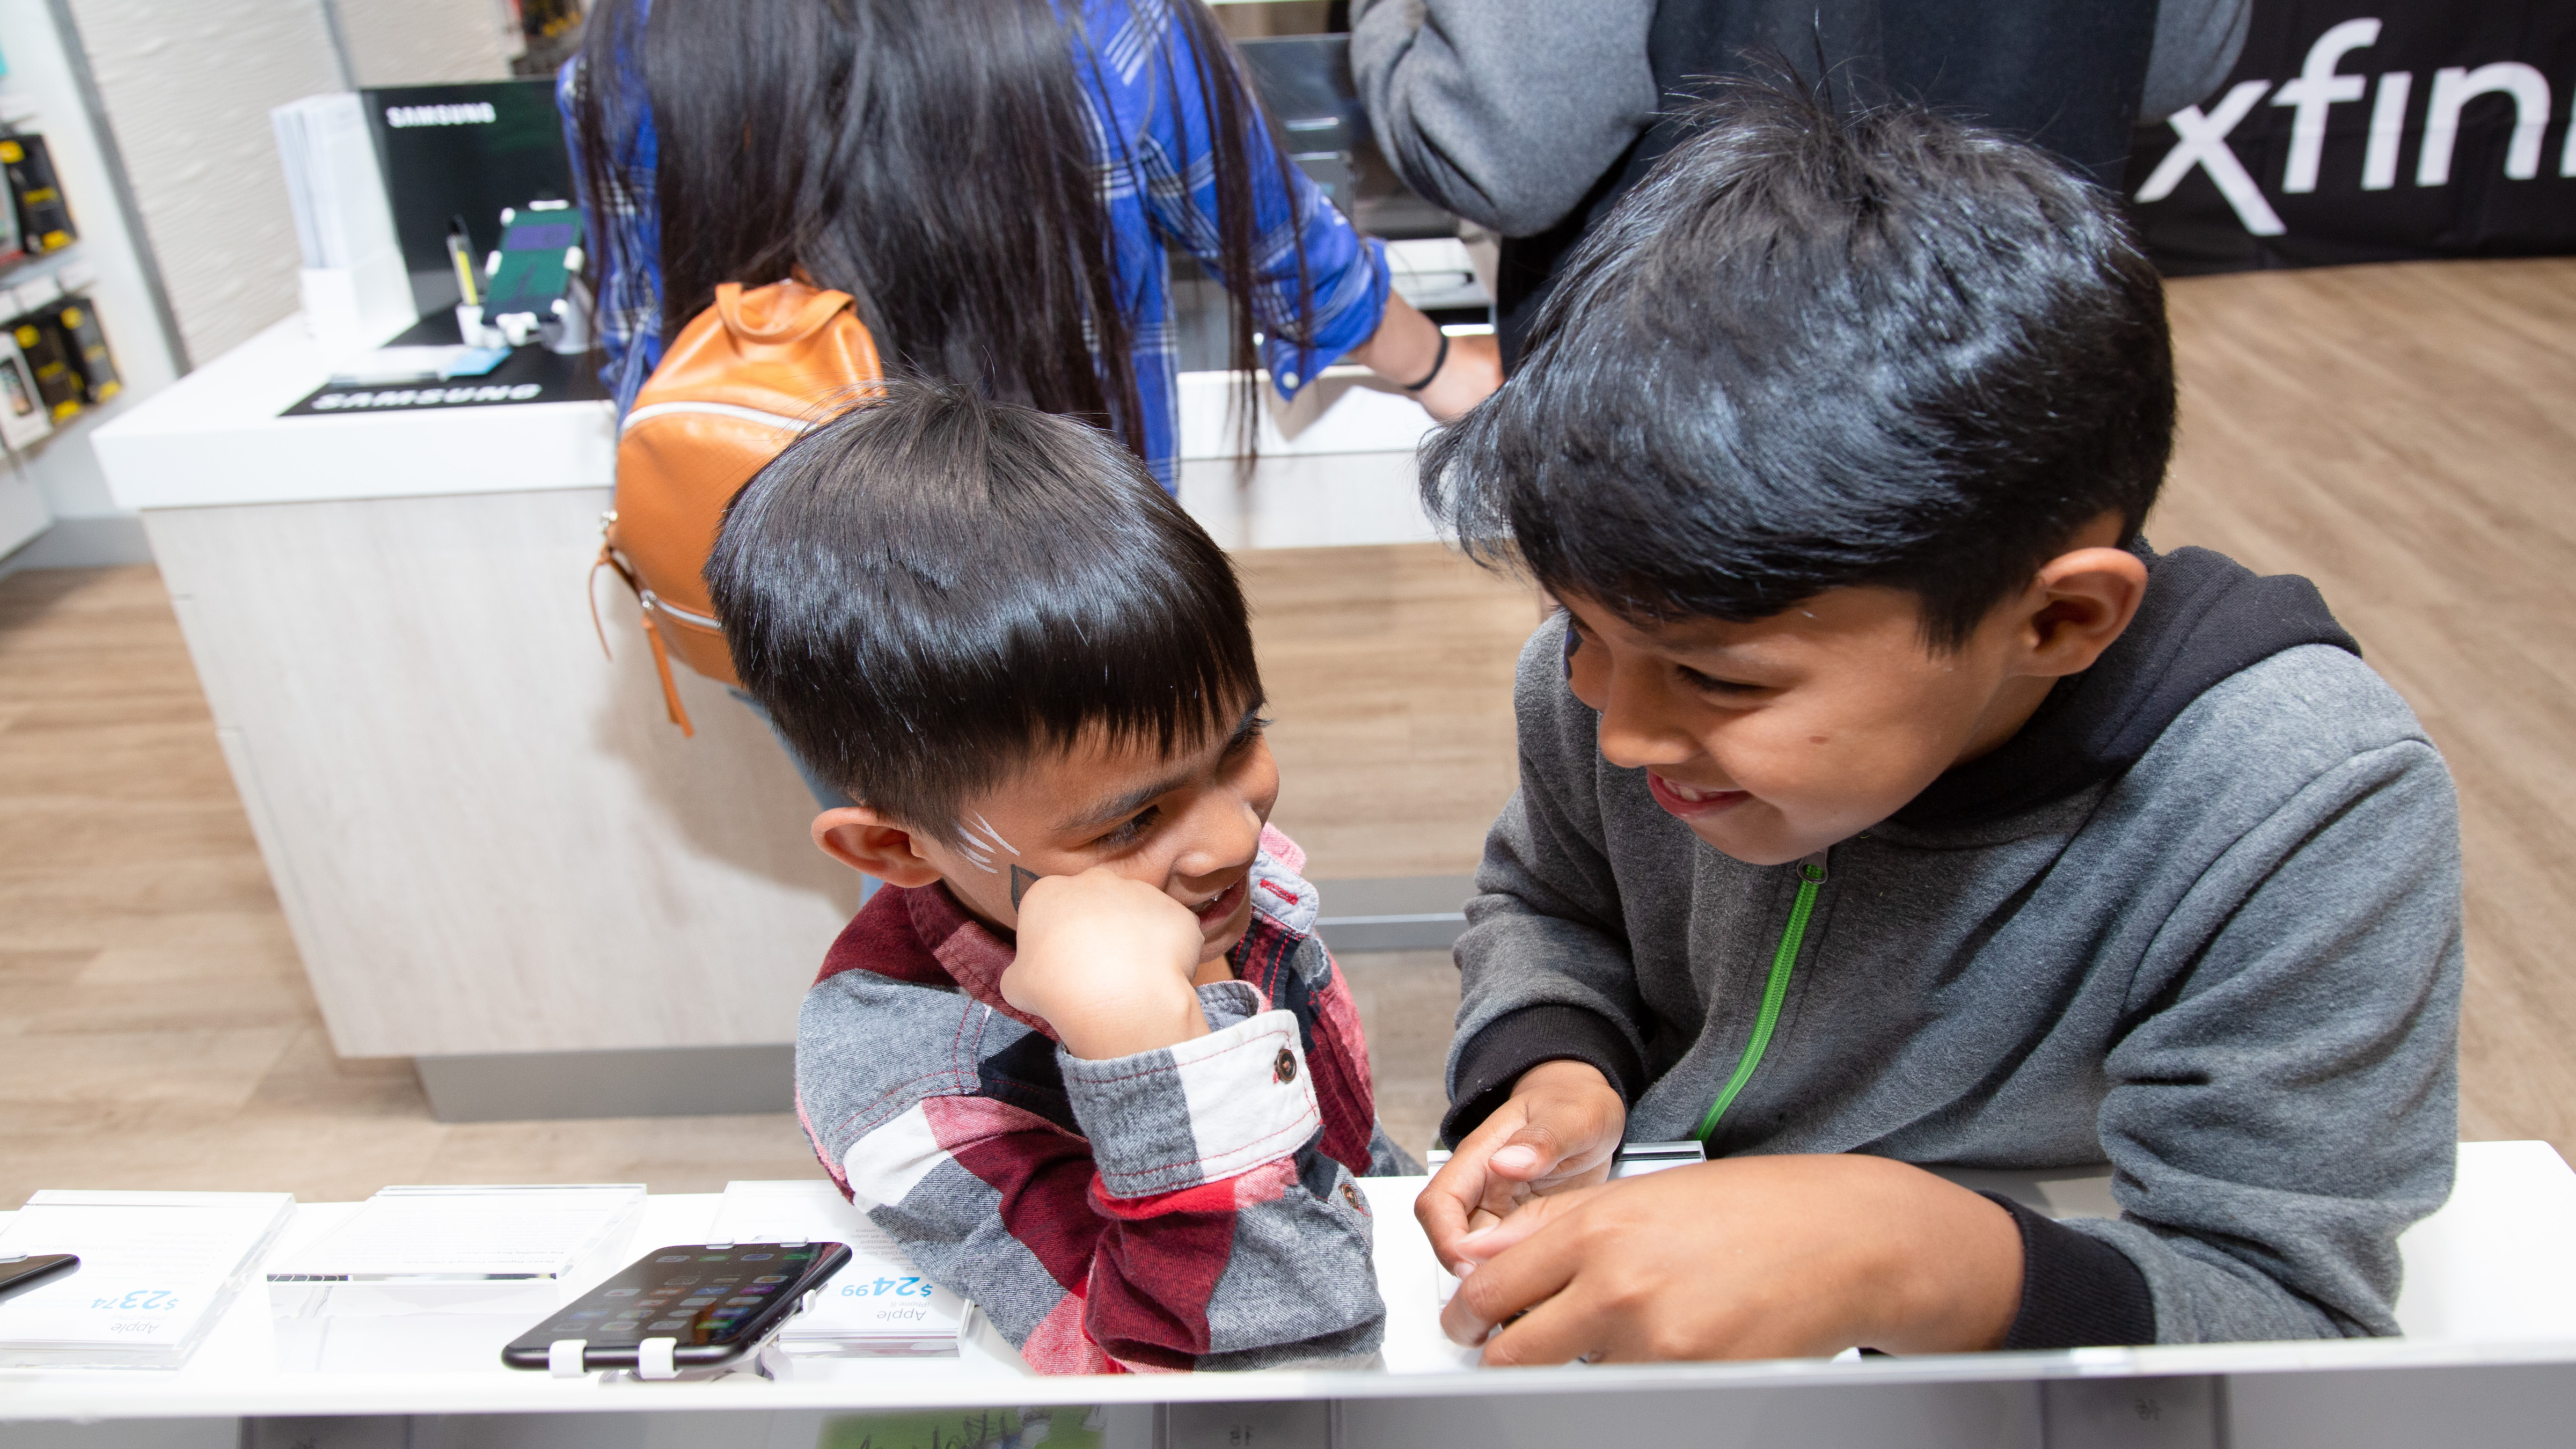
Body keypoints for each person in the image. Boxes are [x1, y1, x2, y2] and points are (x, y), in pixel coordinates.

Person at [1411, 80, 2461, 1364]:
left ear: (2058, 622)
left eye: (1722, 681)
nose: (1620, 730)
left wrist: (1911, 1250)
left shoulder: (2297, 798)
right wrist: (1558, 1070)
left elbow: (2286, 1305)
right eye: (1582, 632)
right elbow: (1553, 906)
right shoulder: (1621, 671)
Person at [705, 380, 1418, 1374]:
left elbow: (1340, 1158)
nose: (1231, 839)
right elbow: (1243, 1373)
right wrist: (1152, 1051)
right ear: (899, 850)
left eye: (1238, 742)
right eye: (1134, 818)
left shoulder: (1181, 872)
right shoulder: (912, 1091)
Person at [565, 0, 1501, 496]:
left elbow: (650, 351)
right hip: (1057, 568)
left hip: (791, 574)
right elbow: (1282, 251)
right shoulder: (1099, 19)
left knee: (908, 836)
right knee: (1119, 838)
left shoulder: (636, 40)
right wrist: (1438, 368)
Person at [1351, 0, 2251, 363]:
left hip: (1700, 389)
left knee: (1681, 742)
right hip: (2018, 346)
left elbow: (1503, 146)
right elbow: (2177, 61)